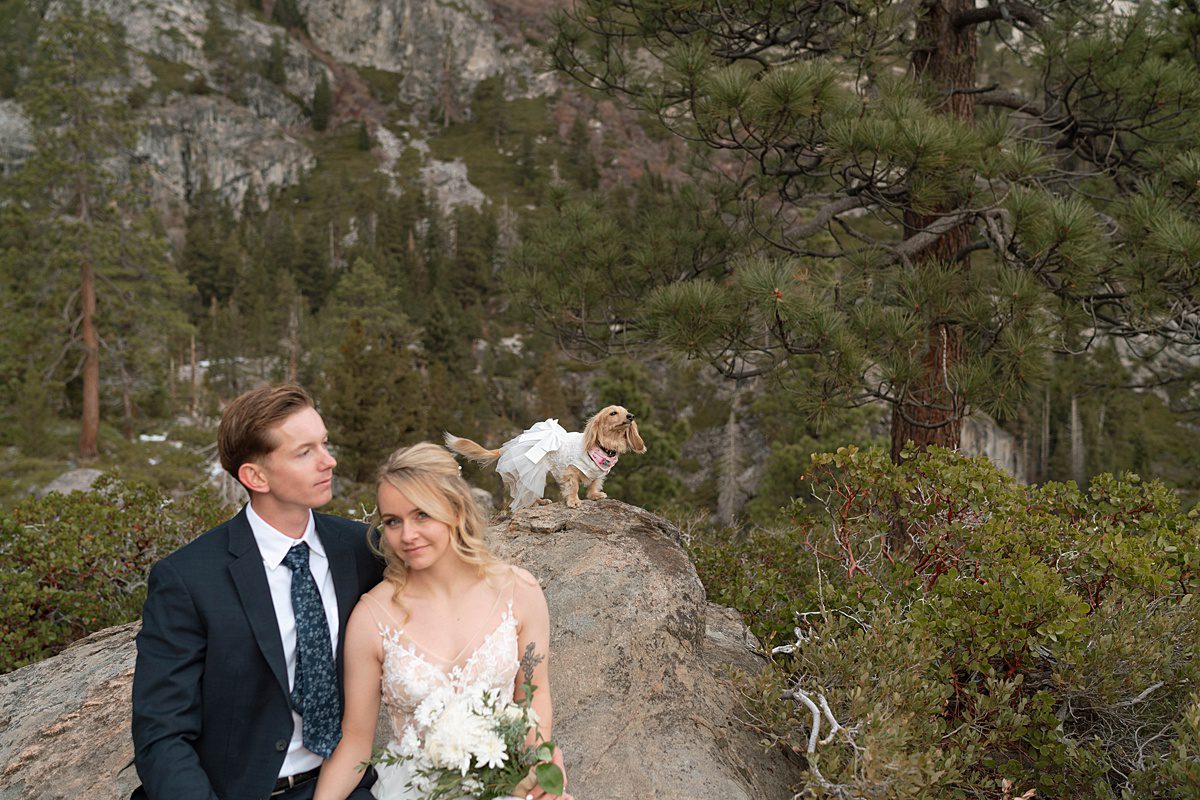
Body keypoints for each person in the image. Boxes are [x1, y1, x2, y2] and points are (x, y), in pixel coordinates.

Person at [131, 385, 384, 800]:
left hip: (341, 786)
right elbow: (161, 733)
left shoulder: (361, 549)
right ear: (255, 476)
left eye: (325, 444)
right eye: (305, 452)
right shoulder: (188, 578)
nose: (329, 461)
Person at [313, 443, 572, 800]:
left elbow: (533, 696)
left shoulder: (519, 592)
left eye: (422, 515)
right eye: (392, 521)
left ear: (454, 509)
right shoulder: (371, 619)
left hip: (504, 788)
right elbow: (356, 739)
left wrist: (540, 768)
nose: (407, 535)